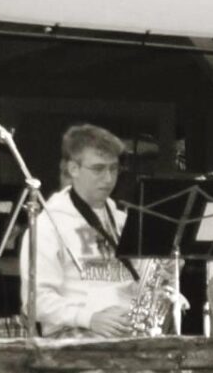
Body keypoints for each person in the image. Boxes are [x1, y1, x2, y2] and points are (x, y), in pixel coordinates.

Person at [21, 123, 142, 338]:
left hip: (127, 330)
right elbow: (35, 301)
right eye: (98, 169)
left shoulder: (124, 221)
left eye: (114, 168)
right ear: (73, 169)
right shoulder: (48, 225)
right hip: (74, 333)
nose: (108, 178)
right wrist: (88, 318)